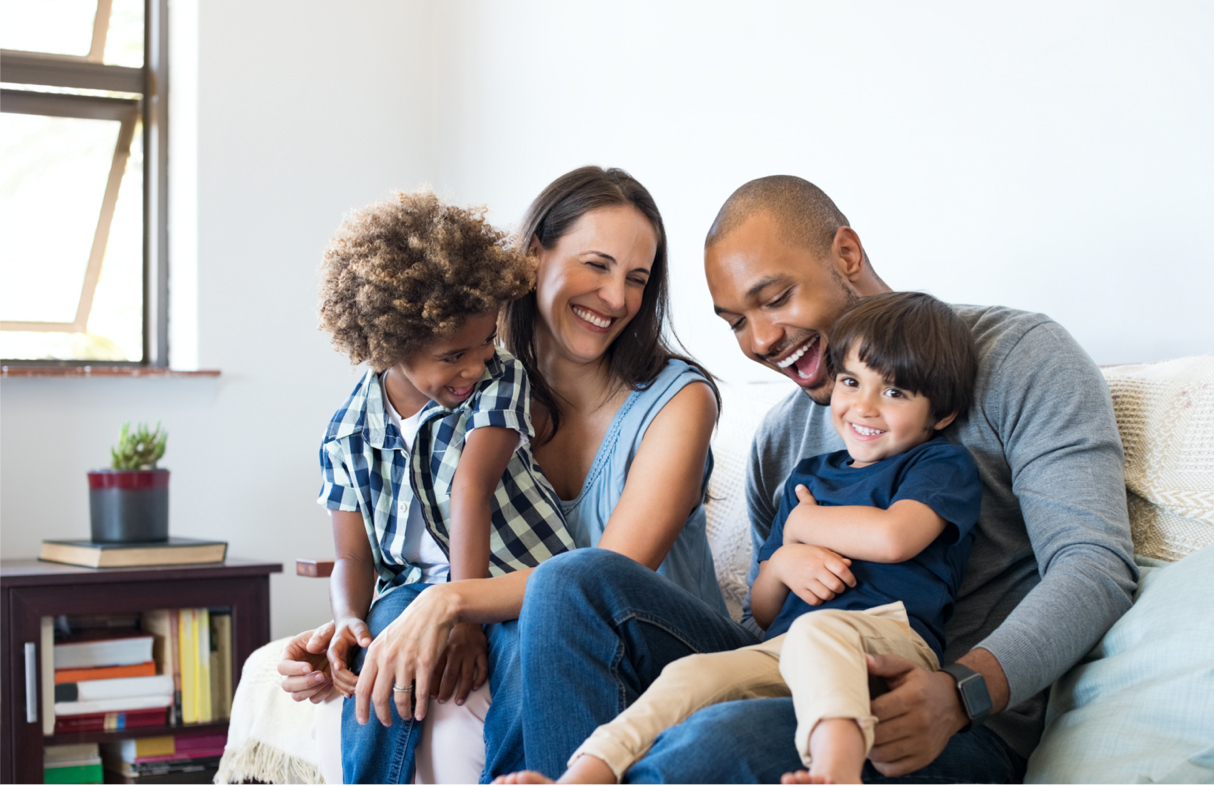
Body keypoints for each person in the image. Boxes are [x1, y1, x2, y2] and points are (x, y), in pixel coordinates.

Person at [511, 175, 1137, 782]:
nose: (760, 340)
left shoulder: (1018, 356)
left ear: (846, 254)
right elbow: (768, 618)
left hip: (944, 722)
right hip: (795, 675)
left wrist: (959, 693)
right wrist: (782, 568)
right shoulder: (782, 439)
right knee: (573, 582)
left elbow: (1093, 564)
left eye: (776, 298)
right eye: (734, 322)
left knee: (712, 743)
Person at [277, 166, 748, 782]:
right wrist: (360, 629)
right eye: (597, 265)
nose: (617, 298)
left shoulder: (677, 401)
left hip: (646, 651)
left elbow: (597, 586)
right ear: (532, 257)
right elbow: (411, 543)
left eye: (637, 279)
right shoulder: (469, 383)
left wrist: (450, 603)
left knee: (520, 646)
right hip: (528, 630)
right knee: (398, 686)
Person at [503, 291, 982, 785]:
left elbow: (894, 539)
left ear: (940, 415)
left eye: (895, 393)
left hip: (888, 644)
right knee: (690, 676)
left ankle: (837, 772)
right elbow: (765, 608)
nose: (864, 406)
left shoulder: (938, 464)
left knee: (823, 632)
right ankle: (580, 775)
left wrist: (801, 528)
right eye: (851, 382)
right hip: (788, 647)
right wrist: (780, 567)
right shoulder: (809, 477)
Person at [314, 190, 578, 783]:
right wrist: (347, 620)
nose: (477, 363)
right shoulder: (346, 434)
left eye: (487, 340)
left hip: (515, 581)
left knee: (523, 654)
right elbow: (351, 553)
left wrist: (464, 617)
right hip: (413, 590)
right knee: (381, 643)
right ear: (390, 346)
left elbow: (471, 489)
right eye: (454, 353)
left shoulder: (498, 380)